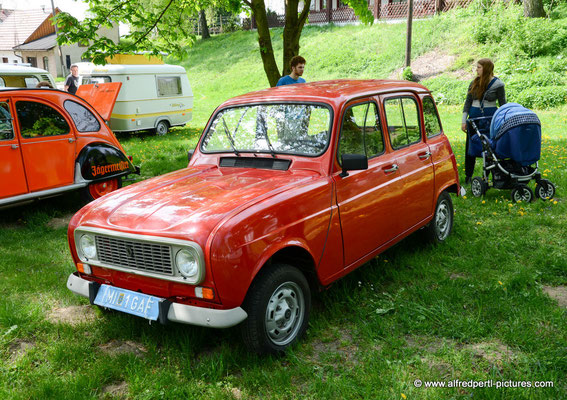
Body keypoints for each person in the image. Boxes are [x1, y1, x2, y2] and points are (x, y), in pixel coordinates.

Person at [461, 58, 506, 184]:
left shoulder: (498, 84)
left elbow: (503, 105)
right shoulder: (473, 83)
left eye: (479, 67)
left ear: (486, 69)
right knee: (470, 147)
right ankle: (468, 175)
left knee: (490, 146)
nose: (477, 70)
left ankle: (489, 175)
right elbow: (468, 103)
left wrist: (503, 121)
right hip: (473, 120)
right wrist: (464, 120)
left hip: (490, 121)